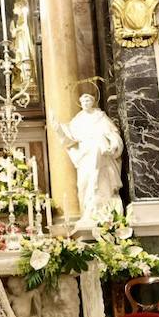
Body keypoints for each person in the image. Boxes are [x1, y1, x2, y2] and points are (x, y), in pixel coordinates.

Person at [59, 93, 124, 224]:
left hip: (102, 153)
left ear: (93, 102)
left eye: (88, 100)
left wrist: (113, 144)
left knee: (101, 182)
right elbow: (69, 138)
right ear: (80, 104)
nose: (86, 103)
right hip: (85, 155)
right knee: (84, 183)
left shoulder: (100, 117)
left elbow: (113, 134)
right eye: (83, 101)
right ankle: (88, 212)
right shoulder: (77, 120)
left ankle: (105, 213)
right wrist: (57, 127)